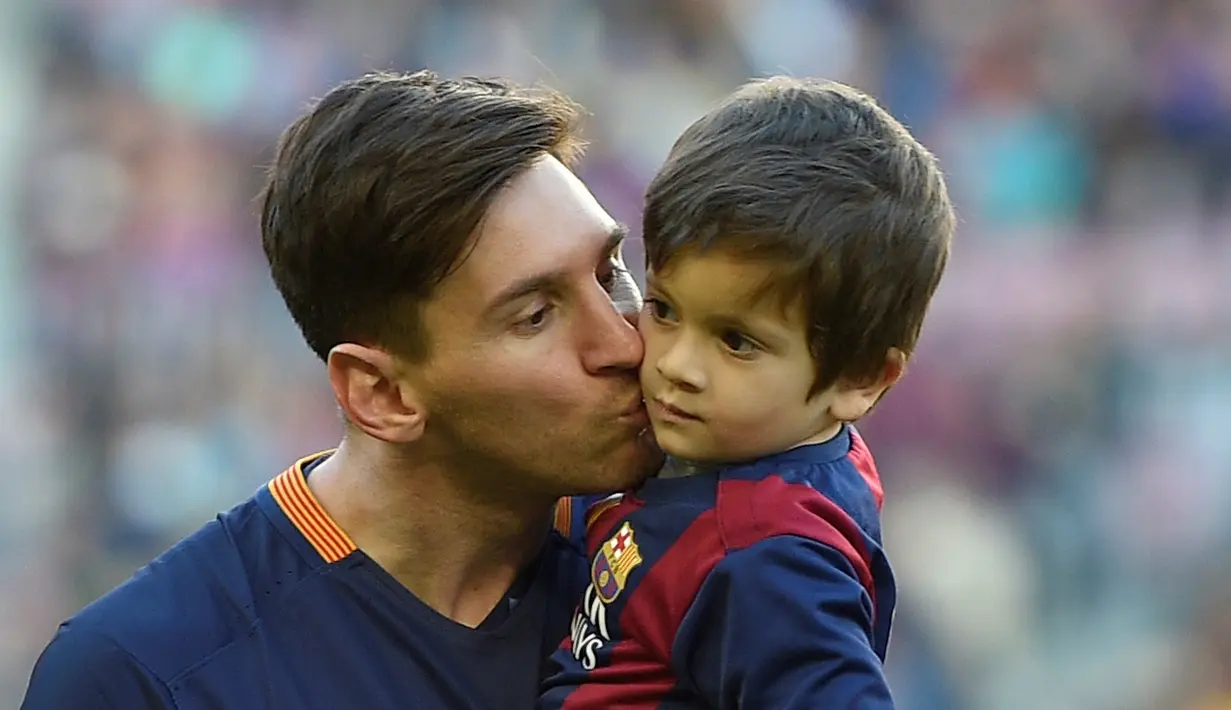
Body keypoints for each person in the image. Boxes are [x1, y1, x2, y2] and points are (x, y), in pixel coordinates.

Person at [21, 70, 660, 710]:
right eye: (535, 316)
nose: (626, 343)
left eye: (609, 273)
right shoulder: (143, 676)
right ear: (382, 394)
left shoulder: (692, 560)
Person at [539, 76, 955, 709]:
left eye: (736, 342)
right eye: (664, 308)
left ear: (858, 379)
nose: (677, 365)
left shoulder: (767, 557)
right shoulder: (751, 442)